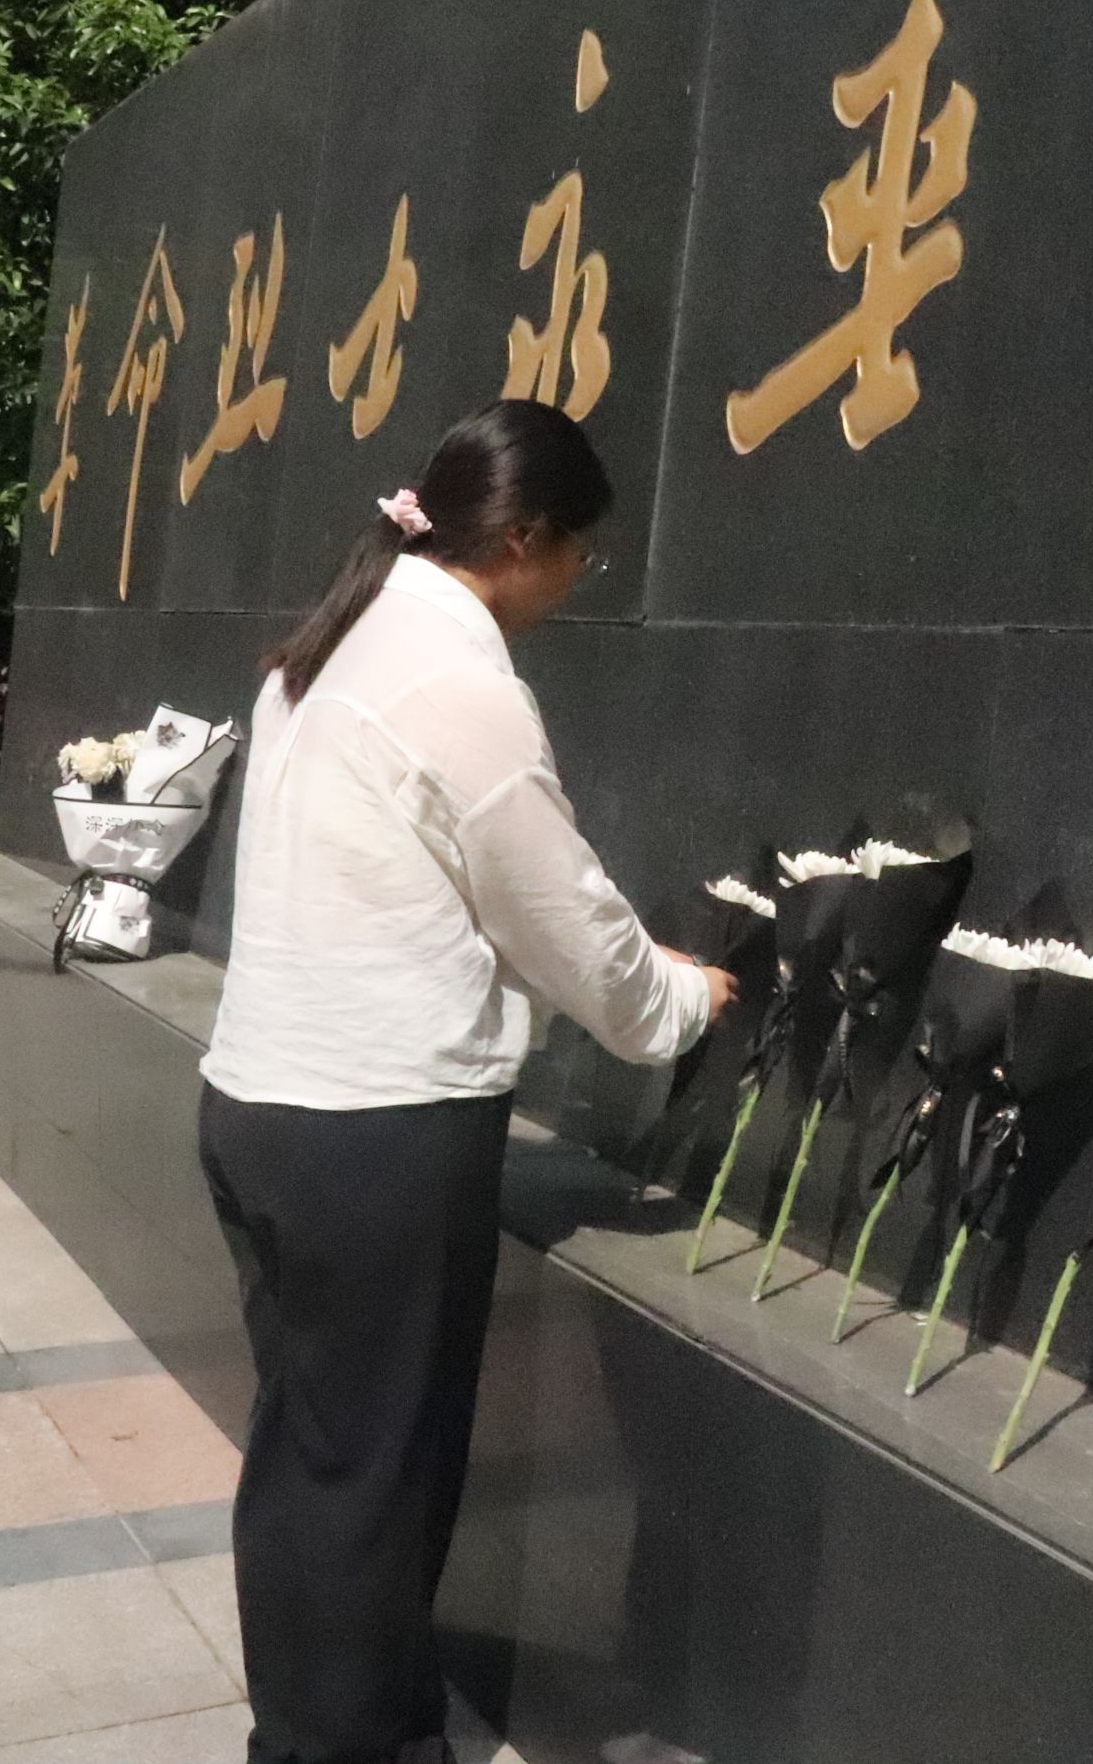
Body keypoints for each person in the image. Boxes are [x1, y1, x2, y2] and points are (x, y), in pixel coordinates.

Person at [198, 398, 737, 1764]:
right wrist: (677, 1001)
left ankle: (331, 1731)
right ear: (522, 539)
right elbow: (557, 907)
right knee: (375, 1479)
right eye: (581, 554)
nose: (578, 582)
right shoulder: (459, 685)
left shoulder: (330, 645)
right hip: (375, 1135)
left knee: (314, 1461)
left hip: (262, 1107)